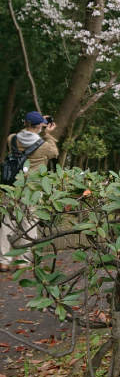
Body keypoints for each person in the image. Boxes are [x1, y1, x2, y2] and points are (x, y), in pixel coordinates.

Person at [0, 110, 59, 271]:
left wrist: (34, 124)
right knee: (29, 223)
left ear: (25, 123)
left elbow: (22, 136)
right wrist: (47, 134)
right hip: (32, 190)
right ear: (40, 126)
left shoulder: (11, 139)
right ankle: (24, 261)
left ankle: (4, 260)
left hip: (13, 187)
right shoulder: (45, 146)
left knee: (8, 222)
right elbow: (55, 153)